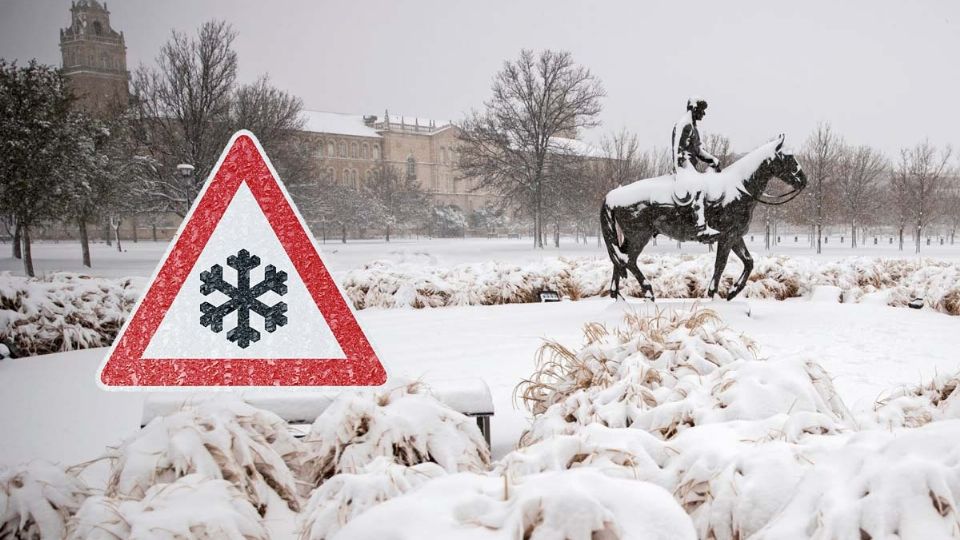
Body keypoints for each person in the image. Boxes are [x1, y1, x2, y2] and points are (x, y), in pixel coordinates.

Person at [672, 96, 721, 236]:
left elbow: (698, 151)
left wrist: (712, 160)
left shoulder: (693, 127)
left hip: (690, 166)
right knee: (699, 186)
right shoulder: (684, 125)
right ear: (694, 109)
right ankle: (700, 228)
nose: (703, 114)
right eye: (701, 110)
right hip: (684, 166)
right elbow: (679, 151)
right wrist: (684, 167)